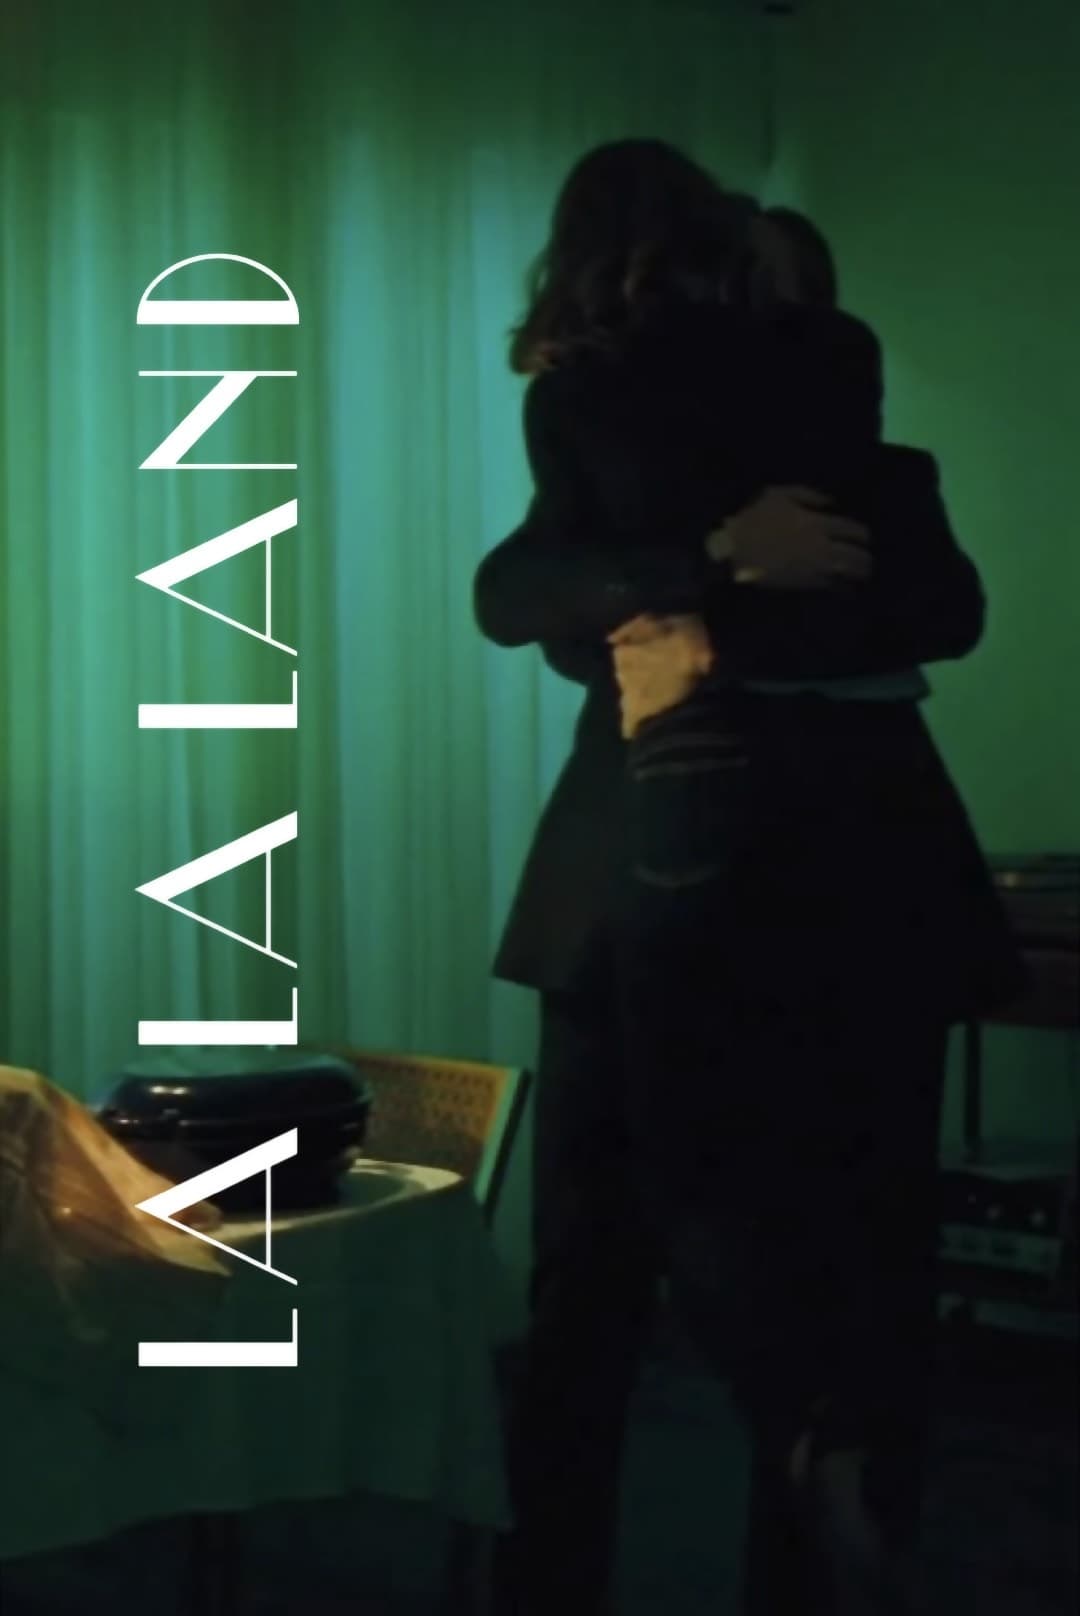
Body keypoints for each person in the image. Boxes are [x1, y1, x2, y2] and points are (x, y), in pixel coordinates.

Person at [473, 140, 1022, 1616]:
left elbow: (940, 611)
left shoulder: (822, 469)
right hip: (750, 871)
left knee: (709, 1243)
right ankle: (778, 1514)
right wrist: (710, 562)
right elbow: (522, 596)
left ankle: (750, 1540)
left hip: (737, 871)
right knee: (770, 1247)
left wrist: (686, 613)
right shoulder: (620, 433)